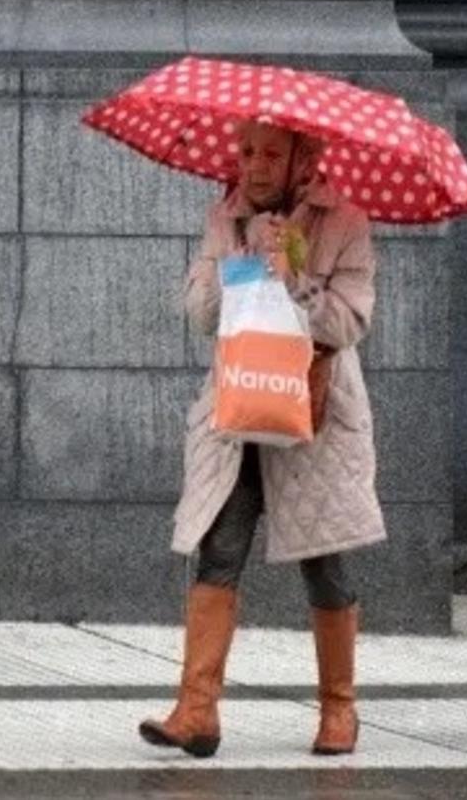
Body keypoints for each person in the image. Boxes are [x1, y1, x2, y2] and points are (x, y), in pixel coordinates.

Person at [139, 121, 384, 757]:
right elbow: (199, 312)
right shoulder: (225, 217)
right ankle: (197, 711)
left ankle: (339, 711)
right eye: (246, 152)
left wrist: (295, 271)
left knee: (323, 562)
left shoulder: (346, 221)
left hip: (313, 417)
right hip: (241, 408)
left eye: (271, 153)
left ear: (304, 159)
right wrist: (249, 267)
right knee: (220, 548)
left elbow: (352, 319)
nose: (254, 165)